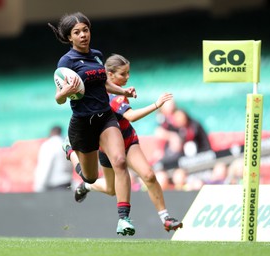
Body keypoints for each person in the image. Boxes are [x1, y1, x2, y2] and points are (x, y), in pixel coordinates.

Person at [66, 54, 182, 232]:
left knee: (149, 175)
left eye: (128, 73)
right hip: (109, 148)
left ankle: (165, 218)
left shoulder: (119, 92)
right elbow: (131, 116)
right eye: (123, 74)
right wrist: (157, 104)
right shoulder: (107, 97)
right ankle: (87, 185)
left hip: (127, 141)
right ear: (109, 75)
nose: (127, 77)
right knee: (111, 189)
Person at [48, 12, 138, 236]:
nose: (83, 35)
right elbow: (59, 99)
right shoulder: (66, 62)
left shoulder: (97, 55)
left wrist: (123, 90)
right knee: (89, 177)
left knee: (119, 160)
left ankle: (123, 219)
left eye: (85, 30)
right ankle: (70, 150)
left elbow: (104, 83)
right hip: (82, 124)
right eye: (77, 32)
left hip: (105, 118)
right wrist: (64, 93)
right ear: (70, 37)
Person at [34, 126, 73, 192]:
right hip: (67, 183)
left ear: (51, 132)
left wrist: (39, 186)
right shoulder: (66, 145)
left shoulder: (49, 145)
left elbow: (45, 166)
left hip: (54, 186)